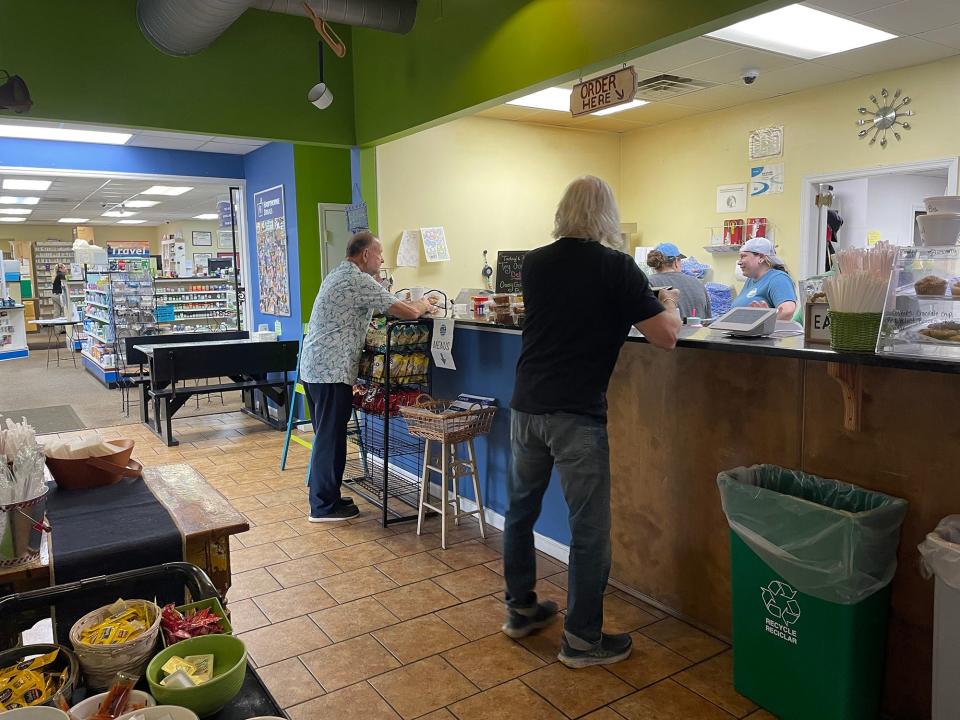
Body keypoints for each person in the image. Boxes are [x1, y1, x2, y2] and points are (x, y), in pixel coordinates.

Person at [503, 176, 681, 668]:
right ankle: (582, 640)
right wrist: (667, 302)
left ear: (563, 212)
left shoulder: (536, 263)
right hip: (575, 413)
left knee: (521, 510)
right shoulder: (615, 266)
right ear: (607, 215)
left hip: (526, 406)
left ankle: (520, 610)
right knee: (589, 528)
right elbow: (666, 337)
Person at [300, 231, 434, 522]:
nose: (382, 258)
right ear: (365, 255)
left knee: (327, 436)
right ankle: (322, 507)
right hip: (330, 371)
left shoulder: (339, 275)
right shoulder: (357, 280)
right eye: (379, 253)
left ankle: (327, 496)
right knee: (330, 437)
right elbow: (409, 312)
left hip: (316, 368)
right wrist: (425, 303)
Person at [731, 237, 797, 320]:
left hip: (760, 333)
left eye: (743, 256)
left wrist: (767, 321)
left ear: (761, 257)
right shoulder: (750, 280)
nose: (739, 262)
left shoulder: (778, 278)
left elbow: (787, 311)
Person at [646, 242, 712, 320]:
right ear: (676, 262)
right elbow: (707, 319)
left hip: (666, 331)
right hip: (697, 332)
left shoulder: (648, 283)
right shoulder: (697, 283)